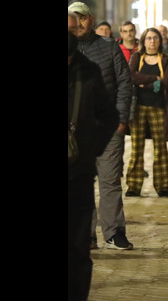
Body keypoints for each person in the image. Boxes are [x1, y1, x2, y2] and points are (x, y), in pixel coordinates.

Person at [68, 2, 134, 251]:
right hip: (74, 133)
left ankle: (114, 232)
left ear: (91, 20)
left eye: (82, 18)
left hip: (107, 128)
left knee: (109, 182)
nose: (79, 24)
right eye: (74, 19)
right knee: (79, 185)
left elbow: (125, 85)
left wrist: (120, 121)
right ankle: (85, 235)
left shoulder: (109, 48)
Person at [68, 31, 118, 301]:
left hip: (78, 174)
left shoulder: (88, 73)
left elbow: (109, 115)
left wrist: (90, 151)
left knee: (77, 248)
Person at [126, 27, 168, 197]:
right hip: (138, 108)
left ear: (160, 41)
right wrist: (155, 80)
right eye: (149, 38)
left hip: (159, 108)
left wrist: (144, 83)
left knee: (160, 147)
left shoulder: (166, 60)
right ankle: (133, 185)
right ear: (143, 41)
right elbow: (131, 76)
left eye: (155, 38)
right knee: (136, 148)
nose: (152, 41)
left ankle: (163, 185)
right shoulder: (137, 57)